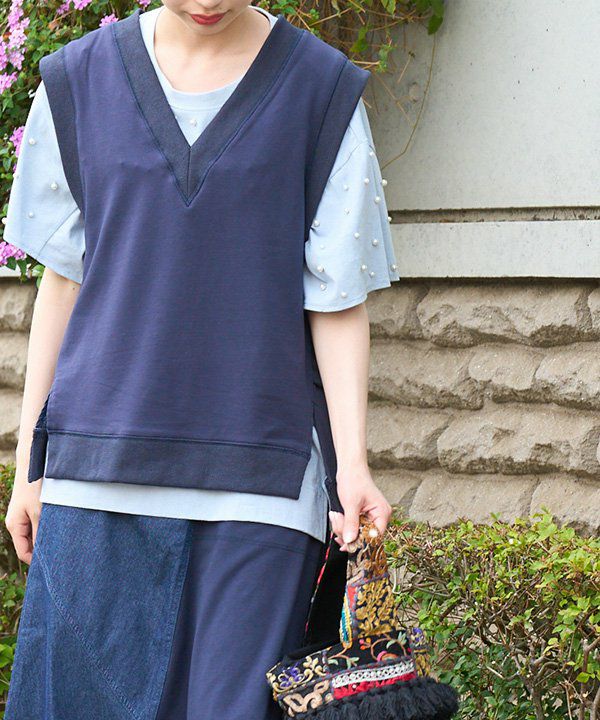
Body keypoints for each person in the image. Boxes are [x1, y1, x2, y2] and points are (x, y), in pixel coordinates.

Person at [2, 2, 400, 718]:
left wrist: (353, 466)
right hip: (96, 475)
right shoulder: (77, 83)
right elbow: (63, 282)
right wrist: (33, 461)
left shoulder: (321, 89)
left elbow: (337, 298)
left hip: (264, 482)